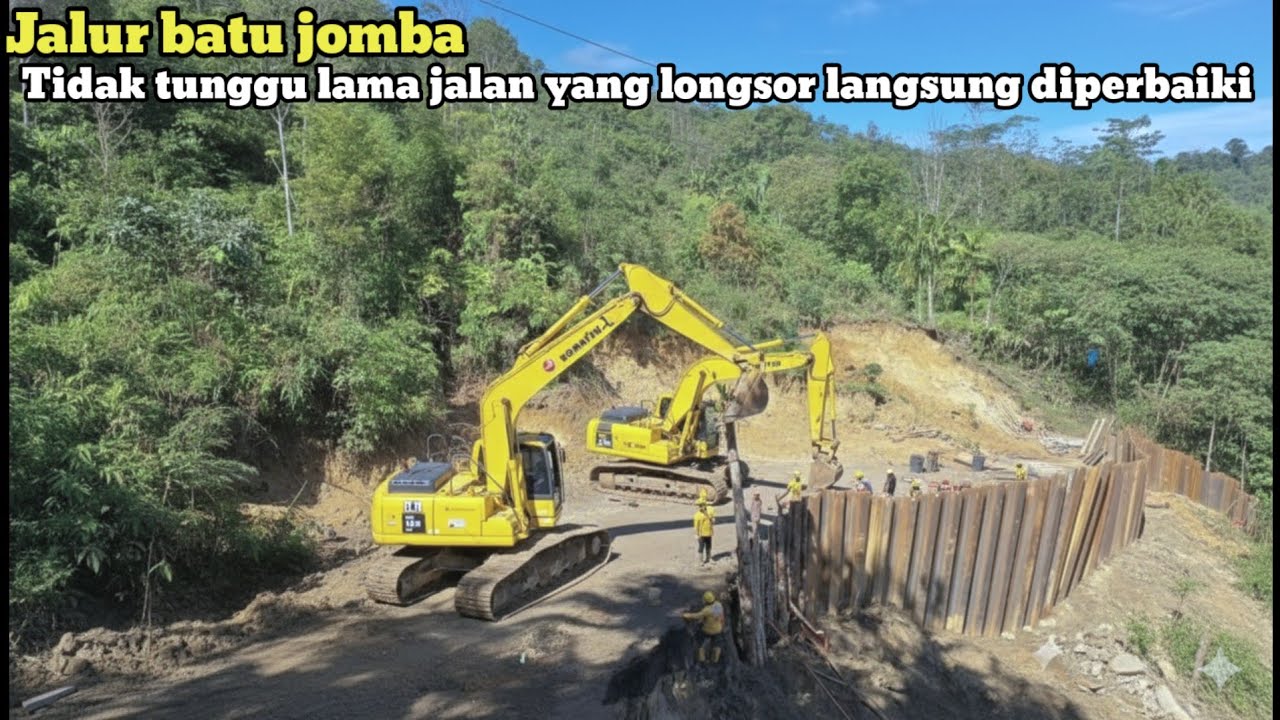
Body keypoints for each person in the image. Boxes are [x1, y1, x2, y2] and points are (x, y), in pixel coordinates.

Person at [681, 591, 726, 664]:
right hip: (718, 629)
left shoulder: (706, 610)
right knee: (717, 644)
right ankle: (715, 660)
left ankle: (701, 659)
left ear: (705, 601)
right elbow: (722, 617)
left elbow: (697, 616)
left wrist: (686, 615)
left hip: (707, 630)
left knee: (699, 642)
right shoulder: (719, 605)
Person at [693, 498, 715, 565]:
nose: (701, 507)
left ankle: (709, 558)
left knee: (709, 546)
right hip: (701, 534)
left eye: (702, 505)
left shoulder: (710, 511)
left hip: (708, 533)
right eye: (699, 505)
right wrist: (696, 534)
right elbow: (696, 526)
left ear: (705, 505)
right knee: (701, 547)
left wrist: (712, 519)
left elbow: (713, 521)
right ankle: (700, 561)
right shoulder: (697, 515)